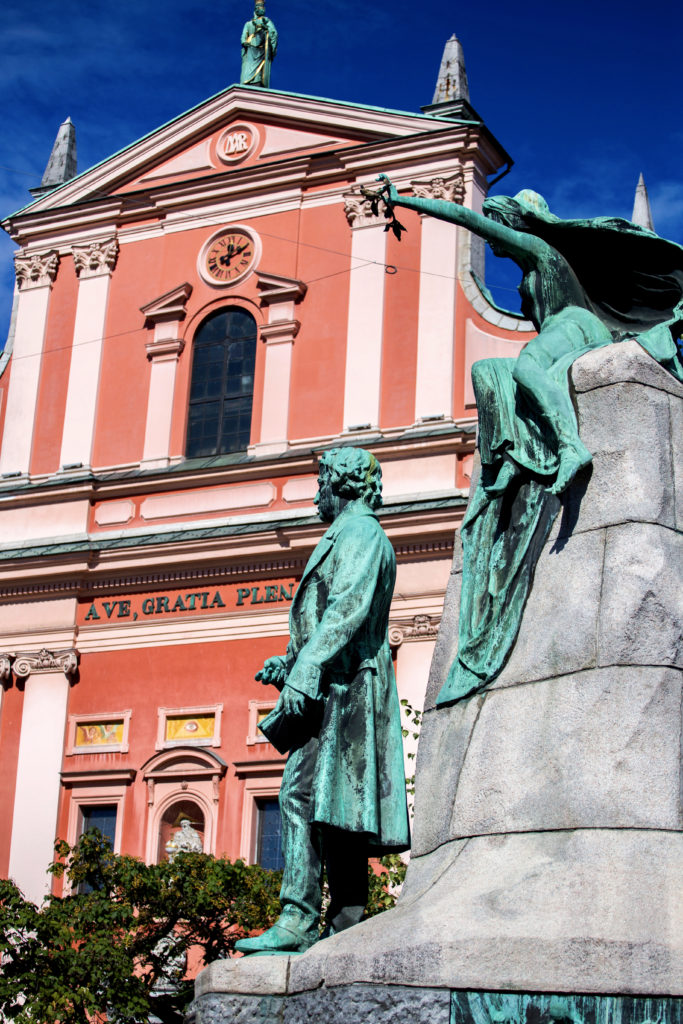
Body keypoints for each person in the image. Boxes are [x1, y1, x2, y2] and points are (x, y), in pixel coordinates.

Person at [370, 175, 683, 705]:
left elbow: (467, 219)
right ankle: (541, 447)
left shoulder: (538, 249)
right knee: (501, 370)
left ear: (514, 221)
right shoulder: (536, 262)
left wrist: (405, 200)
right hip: (577, 329)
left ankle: (568, 445)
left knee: (526, 367)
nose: (493, 243)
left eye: (500, 229)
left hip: (578, 327)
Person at [235, 448, 410, 955]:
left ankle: (298, 916)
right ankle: (346, 921)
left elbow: (348, 606)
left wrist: (307, 666)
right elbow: (327, 617)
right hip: (338, 683)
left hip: (345, 687)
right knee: (334, 808)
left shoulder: (359, 533)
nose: (316, 494)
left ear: (343, 484)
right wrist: (290, 664)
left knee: (303, 797)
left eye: (321, 483)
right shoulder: (347, 534)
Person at [240, 0, 278, 88]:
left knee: (260, 68)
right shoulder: (248, 23)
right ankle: (248, 81)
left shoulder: (267, 21)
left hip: (262, 49)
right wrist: (244, 42)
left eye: (263, 8)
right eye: (259, 8)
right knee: (248, 67)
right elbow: (243, 35)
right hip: (251, 48)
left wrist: (266, 29)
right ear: (256, 10)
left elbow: (273, 33)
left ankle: (258, 80)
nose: (262, 10)